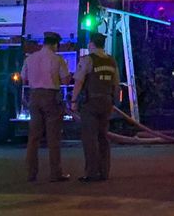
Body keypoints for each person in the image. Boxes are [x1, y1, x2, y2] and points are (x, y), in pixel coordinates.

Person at [21, 31, 71, 182]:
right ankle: (55, 173)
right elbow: (66, 81)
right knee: (53, 137)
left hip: (34, 96)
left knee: (34, 138)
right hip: (51, 98)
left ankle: (31, 173)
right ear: (55, 44)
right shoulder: (57, 59)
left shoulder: (30, 58)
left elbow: (24, 78)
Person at [71, 32, 120, 182]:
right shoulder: (111, 61)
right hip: (106, 102)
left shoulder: (87, 60)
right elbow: (116, 84)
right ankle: (104, 172)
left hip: (90, 103)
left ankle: (91, 173)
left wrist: (73, 101)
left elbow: (79, 82)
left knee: (90, 138)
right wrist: (113, 102)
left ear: (91, 44)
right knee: (103, 137)